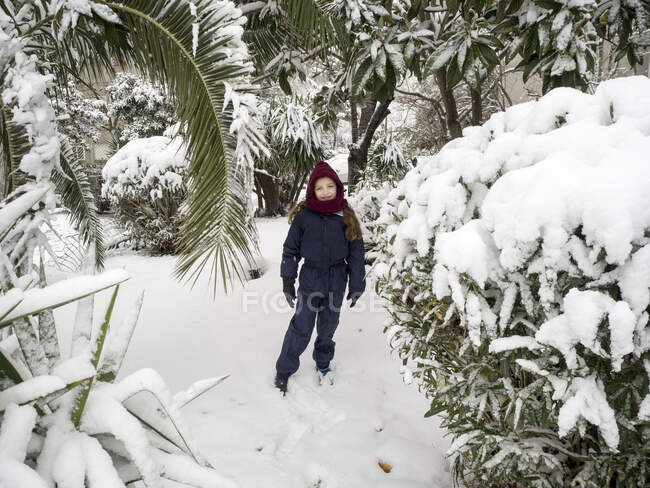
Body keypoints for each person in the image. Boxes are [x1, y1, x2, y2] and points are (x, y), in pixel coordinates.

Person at [274, 161, 365, 395]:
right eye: (319, 188)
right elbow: (290, 250)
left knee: (328, 326)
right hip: (310, 278)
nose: (325, 192)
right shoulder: (305, 216)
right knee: (301, 325)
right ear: (312, 191)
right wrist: (287, 280)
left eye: (329, 187)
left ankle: (323, 362)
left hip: (337, 278)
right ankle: (285, 368)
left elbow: (356, 252)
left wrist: (357, 285)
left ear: (338, 187)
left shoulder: (345, 214)